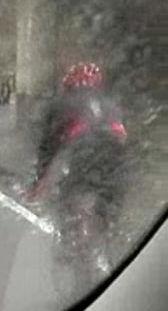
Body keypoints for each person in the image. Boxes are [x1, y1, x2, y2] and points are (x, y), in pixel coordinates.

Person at [27, 62, 128, 238]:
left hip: (83, 151)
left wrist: (39, 180)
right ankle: (109, 228)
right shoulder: (109, 103)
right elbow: (122, 135)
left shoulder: (63, 102)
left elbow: (48, 145)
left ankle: (70, 235)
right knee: (112, 193)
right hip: (113, 152)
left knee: (68, 192)